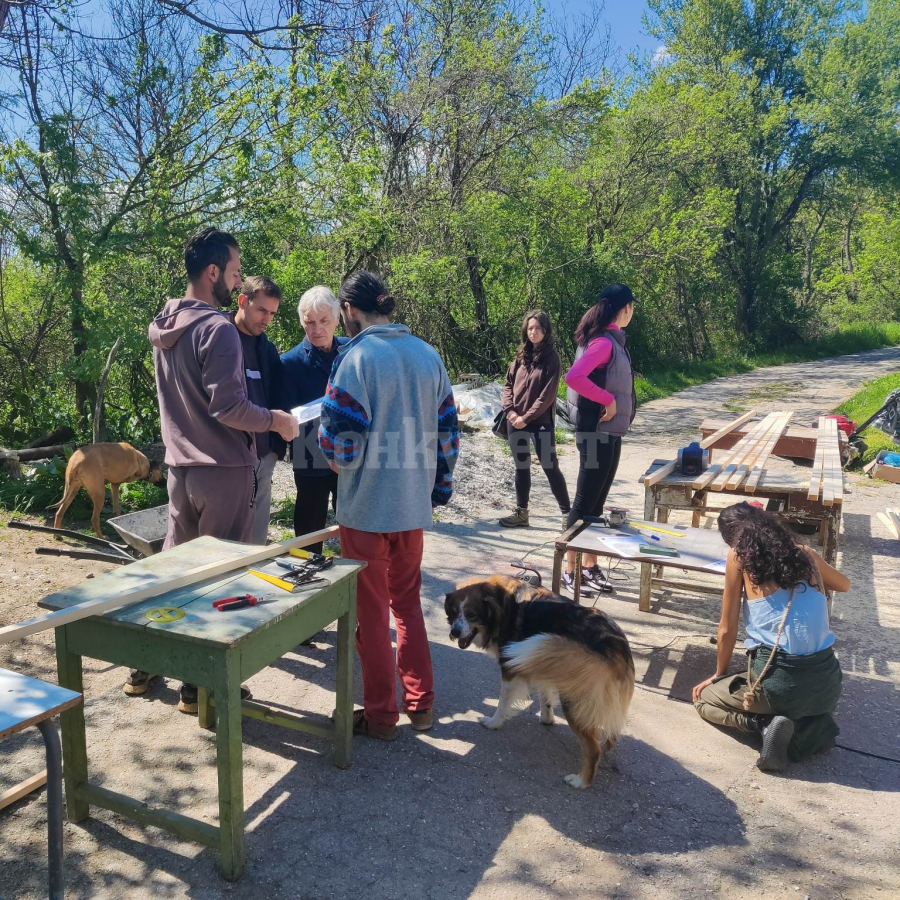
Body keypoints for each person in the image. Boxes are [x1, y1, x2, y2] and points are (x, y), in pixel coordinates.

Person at [142, 228, 300, 712]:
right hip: (225, 471)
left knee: (182, 579)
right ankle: (206, 689)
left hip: (179, 472)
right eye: (234, 272)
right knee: (221, 586)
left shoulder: (164, 324)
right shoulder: (218, 329)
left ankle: (168, 669)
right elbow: (230, 407)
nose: (236, 280)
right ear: (213, 272)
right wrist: (277, 421)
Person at [318, 271, 460, 741]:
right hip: (411, 510)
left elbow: (341, 445)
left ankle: (380, 716)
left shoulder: (356, 359)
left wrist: (335, 457)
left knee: (372, 616)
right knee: (408, 608)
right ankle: (421, 707)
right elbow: (448, 436)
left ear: (348, 311)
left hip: (365, 512)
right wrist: (436, 490)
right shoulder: (428, 355)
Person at [692, 502, 848, 771]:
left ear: (731, 538)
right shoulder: (805, 554)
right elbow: (844, 584)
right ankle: (812, 731)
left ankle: (762, 724)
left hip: (778, 682)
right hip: (828, 683)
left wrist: (719, 674)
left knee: (704, 700)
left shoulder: (738, 558)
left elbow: (727, 628)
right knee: (797, 699)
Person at [562, 283, 636, 594]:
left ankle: (589, 566)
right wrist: (607, 399)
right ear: (625, 309)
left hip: (610, 433)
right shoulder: (604, 343)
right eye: (633, 308)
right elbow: (574, 377)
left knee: (597, 504)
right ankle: (569, 569)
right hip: (596, 434)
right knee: (583, 503)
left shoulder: (612, 341)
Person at [280, 286, 348, 553]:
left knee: (354, 527)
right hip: (309, 452)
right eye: (310, 322)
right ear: (301, 321)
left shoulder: (351, 351)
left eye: (324, 321)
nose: (317, 328)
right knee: (309, 532)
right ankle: (308, 582)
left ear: (337, 320)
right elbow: (284, 413)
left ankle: (354, 581)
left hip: (348, 451)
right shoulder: (290, 362)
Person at [497, 310, 570, 529]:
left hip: (540, 422)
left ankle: (568, 514)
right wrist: (510, 411)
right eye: (530, 328)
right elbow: (508, 385)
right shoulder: (521, 356)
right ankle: (522, 513)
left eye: (538, 328)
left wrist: (526, 418)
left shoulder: (552, 359)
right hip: (515, 419)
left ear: (546, 331)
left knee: (550, 466)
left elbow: (547, 396)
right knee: (521, 466)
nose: (533, 332)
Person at [232, 275, 287, 544]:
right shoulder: (219, 337)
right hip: (226, 459)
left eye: (272, 313)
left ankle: (252, 585)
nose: (266, 319)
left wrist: (275, 450)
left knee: (256, 541)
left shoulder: (267, 349)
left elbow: (278, 398)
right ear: (243, 301)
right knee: (225, 541)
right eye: (261, 310)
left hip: (263, 456)